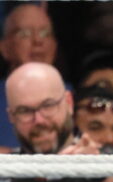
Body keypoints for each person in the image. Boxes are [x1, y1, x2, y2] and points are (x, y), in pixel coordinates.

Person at [0, 3, 59, 149]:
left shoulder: (76, 98)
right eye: (24, 34)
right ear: (5, 48)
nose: (38, 41)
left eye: (45, 33)